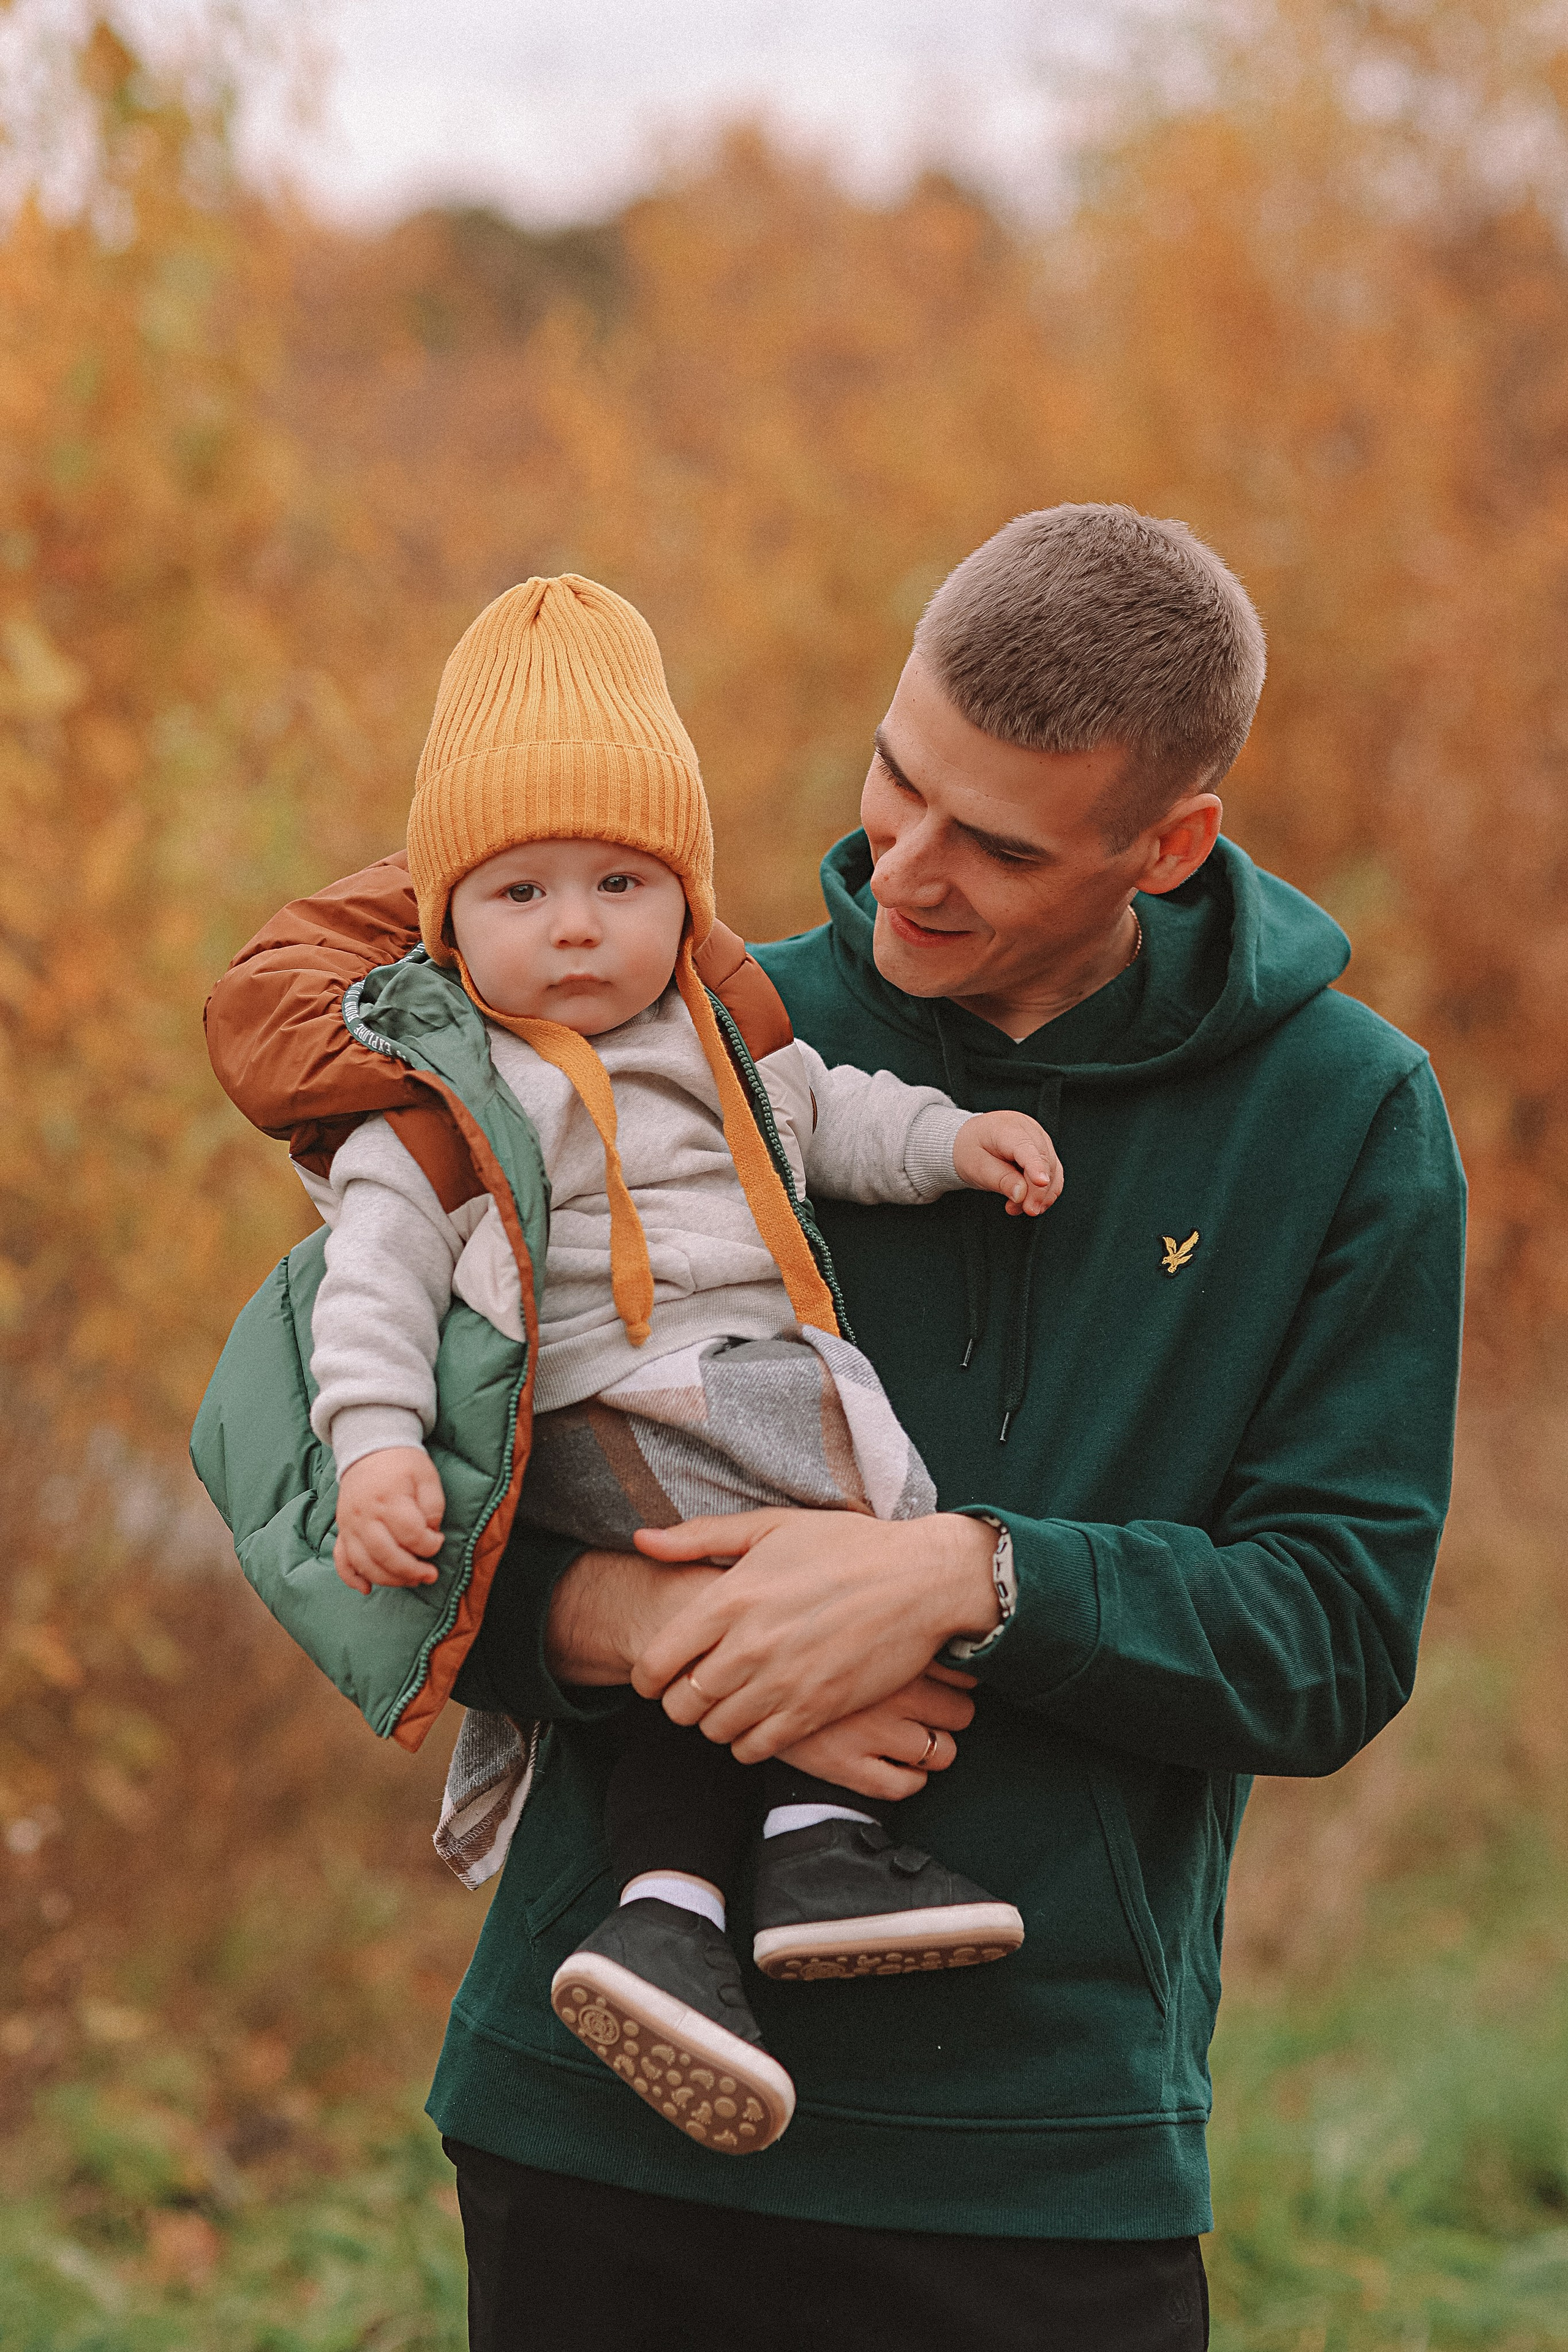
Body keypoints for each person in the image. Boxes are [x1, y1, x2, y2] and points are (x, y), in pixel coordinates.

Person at [198, 505, 1465, 2352]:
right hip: (594, 2137)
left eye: (998, 844)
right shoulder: (673, 1021)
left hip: (1040, 2167)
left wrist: (962, 1580)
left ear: (1167, 845)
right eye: (896, 783)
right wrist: (626, 1626)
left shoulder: (1341, 1118)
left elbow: (1335, 1638)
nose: (908, 871)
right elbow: (328, 1488)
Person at [307, 573, 1051, 2152]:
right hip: (617, 1394)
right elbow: (367, 1287)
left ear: (685, 901)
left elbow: (837, 1115)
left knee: (814, 1560)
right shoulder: (447, 1097)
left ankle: (693, 1909)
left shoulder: (716, 1039)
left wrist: (951, 1138)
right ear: (450, 916)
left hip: (727, 1374)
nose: (577, 926)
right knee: (845, 1542)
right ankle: (807, 1846)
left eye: (621, 883)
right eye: (522, 893)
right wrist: (374, 1442)